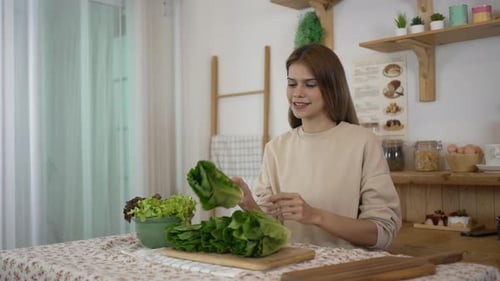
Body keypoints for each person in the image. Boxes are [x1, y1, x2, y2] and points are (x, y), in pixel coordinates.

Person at [233, 44, 401, 250]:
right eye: (292, 84)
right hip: (289, 268)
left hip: (344, 272)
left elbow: (382, 232)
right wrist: (249, 204)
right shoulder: (275, 148)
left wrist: (315, 215)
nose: (298, 93)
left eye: (310, 84)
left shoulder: (363, 143)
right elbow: (271, 231)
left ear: (332, 87)